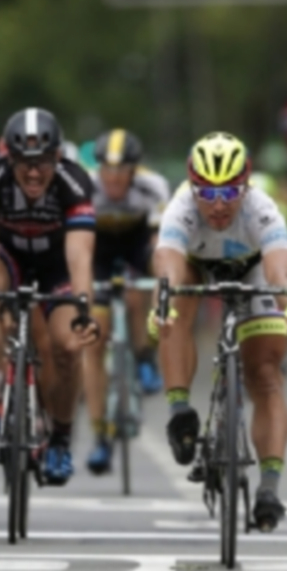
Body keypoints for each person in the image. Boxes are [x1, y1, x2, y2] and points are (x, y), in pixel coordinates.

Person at [150, 131, 287, 531]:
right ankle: (180, 411)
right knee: (174, 305)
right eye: (207, 193)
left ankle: (269, 488)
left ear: (246, 186)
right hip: (197, 266)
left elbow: (279, 271)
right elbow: (168, 263)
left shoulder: (262, 209)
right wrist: (161, 303)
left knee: (266, 375)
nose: (219, 205)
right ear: (193, 187)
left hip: (252, 269)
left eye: (229, 193)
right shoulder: (180, 207)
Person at [0, 108, 99, 486]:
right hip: (7, 259)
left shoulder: (74, 182)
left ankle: (60, 438)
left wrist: (84, 311)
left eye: (42, 162)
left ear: (57, 157)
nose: (32, 173)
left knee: (68, 347)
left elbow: (80, 256)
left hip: (55, 266)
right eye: (23, 162)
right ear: (8, 158)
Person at [83, 129, 169, 475]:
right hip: (99, 252)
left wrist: (159, 281)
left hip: (136, 248)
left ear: (134, 170)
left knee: (138, 290)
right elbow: (77, 241)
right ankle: (99, 435)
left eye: (122, 171)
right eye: (108, 170)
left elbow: (161, 241)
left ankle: (145, 355)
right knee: (94, 339)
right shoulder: (86, 187)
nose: (114, 178)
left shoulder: (153, 186)